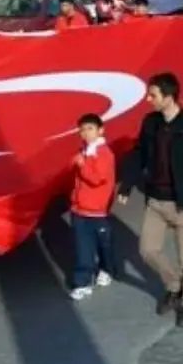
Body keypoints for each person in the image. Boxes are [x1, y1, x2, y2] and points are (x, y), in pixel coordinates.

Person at [117, 73, 183, 328]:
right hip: (156, 201)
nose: (148, 100)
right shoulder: (150, 123)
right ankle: (174, 286)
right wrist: (127, 184)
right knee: (148, 250)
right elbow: (139, 154)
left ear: (168, 97)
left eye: (153, 95)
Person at [67, 113, 118, 301]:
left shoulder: (104, 154)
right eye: (82, 130)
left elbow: (97, 178)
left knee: (103, 244)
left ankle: (107, 268)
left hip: (98, 211)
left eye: (90, 129)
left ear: (100, 130)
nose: (86, 133)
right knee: (83, 248)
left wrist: (82, 165)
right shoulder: (85, 152)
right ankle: (82, 282)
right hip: (80, 209)